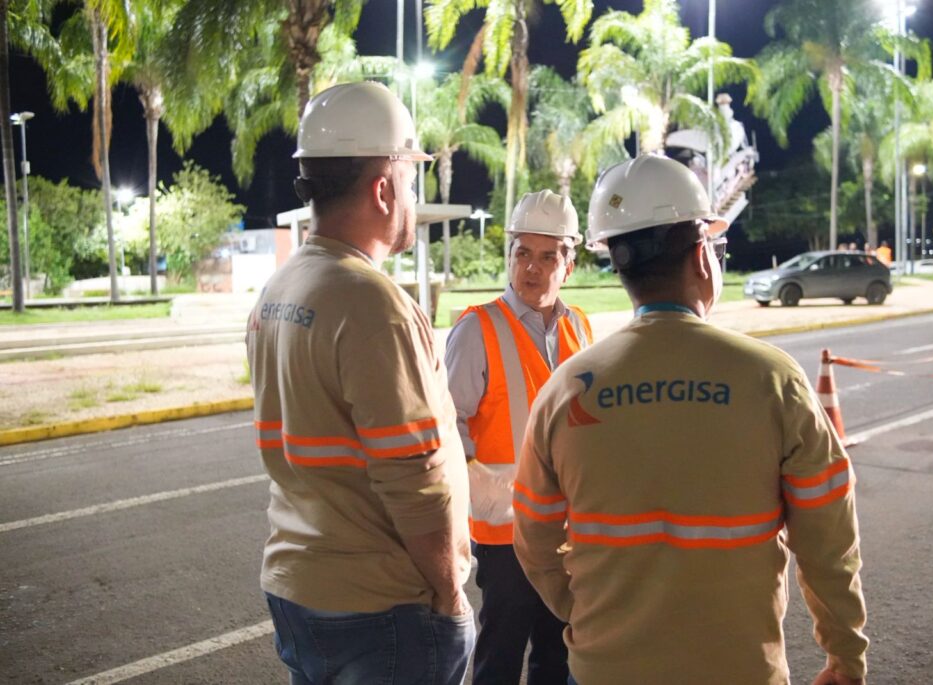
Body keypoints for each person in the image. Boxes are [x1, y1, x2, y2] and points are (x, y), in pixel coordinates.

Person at [513, 154, 869, 685]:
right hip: (740, 669)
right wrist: (845, 653)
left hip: (603, 668)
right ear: (703, 257)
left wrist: (583, 609)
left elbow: (534, 538)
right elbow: (828, 541)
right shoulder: (772, 379)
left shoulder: (565, 389)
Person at [246, 81, 474, 685]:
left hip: (300, 586)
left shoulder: (281, 289)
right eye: (409, 176)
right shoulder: (374, 305)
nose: (412, 194)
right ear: (382, 186)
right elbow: (415, 478)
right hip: (381, 606)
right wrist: (450, 593)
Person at [445, 190, 593, 684]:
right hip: (504, 529)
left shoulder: (580, 329)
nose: (532, 267)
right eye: (522, 253)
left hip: (567, 530)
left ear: (568, 264)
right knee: (500, 657)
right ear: (508, 258)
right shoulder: (477, 329)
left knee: (559, 654)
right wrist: (478, 490)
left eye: (547, 255)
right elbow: (450, 425)